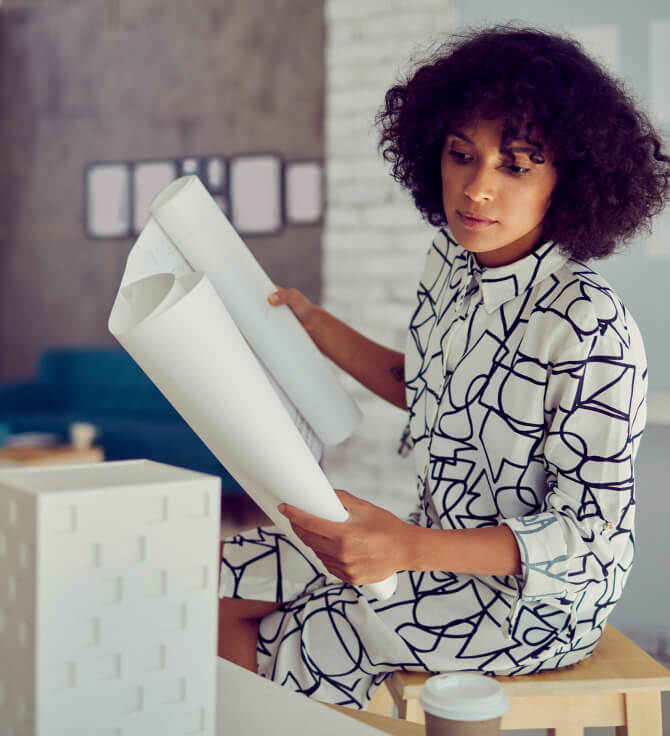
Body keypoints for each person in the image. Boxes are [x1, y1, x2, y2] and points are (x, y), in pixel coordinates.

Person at [218, 24, 670, 709]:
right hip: (427, 552)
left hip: (535, 605)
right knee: (219, 577)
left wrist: (408, 547)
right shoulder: (451, 269)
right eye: (463, 154)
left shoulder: (587, 322)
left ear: (569, 180)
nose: (476, 189)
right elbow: (427, 388)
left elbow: (588, 537)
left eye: (516, 165)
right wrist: (312, 324)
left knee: (303, 634)